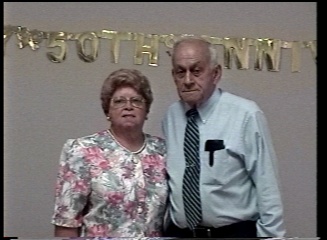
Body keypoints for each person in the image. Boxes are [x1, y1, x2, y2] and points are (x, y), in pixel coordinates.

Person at [162, 36, 287, 238]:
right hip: (182, 233)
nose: (187, 80)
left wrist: (271, 237)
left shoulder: (245, 114)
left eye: (196, 71)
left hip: (232, 233)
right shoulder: (171, 116)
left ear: (216, 73)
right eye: (180, 72)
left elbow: (267, 185)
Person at [51, 68, 168, 238]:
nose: (128, 106)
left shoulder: (162, 150)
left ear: (146, 110)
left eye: (136, 101)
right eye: (119, 101)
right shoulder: (82, 151)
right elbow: (66, 223)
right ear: (107, 110)